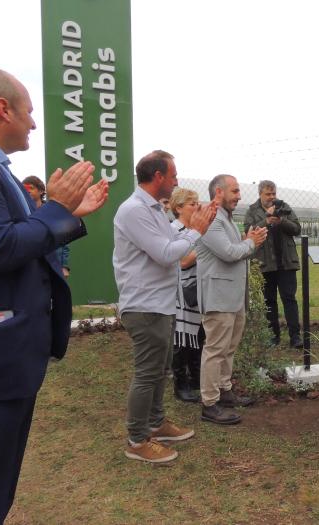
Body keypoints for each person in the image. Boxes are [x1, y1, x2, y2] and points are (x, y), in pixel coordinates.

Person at [0, 65, 109, 525]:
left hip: (5, 361)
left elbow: (18, 236)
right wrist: (54, 210)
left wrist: (64, 214)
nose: (34, 123)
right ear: (2, 108)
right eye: (29, 113)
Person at [113, 150, 217, 464]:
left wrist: (194, 229)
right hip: (144, 304)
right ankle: (136, 438)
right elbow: (165, 253)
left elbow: (171, 245)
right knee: (147, 373)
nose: (176, 182)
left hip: (160, 303)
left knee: (161, 369)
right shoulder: (133, 210)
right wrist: (196, 231)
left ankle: (156, 423)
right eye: (172, 176)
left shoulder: (154, 209)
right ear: (158, 177)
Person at [196, 174, 268, 425]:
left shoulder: (226, 219)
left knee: (228, 347)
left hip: (233, 298)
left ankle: (225, 392)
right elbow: (228, 253)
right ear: (219, 191)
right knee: (215, 350)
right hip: (218, 298)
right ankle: (209, 403)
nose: (239, 196)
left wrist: (247, 241)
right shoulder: (212, 219)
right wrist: (251, 242)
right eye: (235, 191)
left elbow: (236, 252)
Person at [244, 180, 303, 349]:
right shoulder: (252, 210)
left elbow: (297, 228)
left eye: (273, 194)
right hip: (264, 263)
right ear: (260, 194)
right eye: (268, 194)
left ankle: (295, 336)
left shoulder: (284, 207)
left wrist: (281, 221)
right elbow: (249, 231)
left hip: (286, 263)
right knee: (269, 301)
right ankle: (273, 336)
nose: (271, 197)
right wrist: (267, 220)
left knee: (289, 299)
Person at [169, 187, 205, 403]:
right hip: (180, 292)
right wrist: (203, 249)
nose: (197, 207)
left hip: (197, 288)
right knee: (181, 339)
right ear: (179, 207)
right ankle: (180, 384)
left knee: (199, 336)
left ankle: (197, 379)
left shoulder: (197, 230)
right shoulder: (173, 230)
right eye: (192, 203)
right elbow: (181, 261)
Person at [23, 175, 71, 278]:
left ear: (41, 191)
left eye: (31, 188)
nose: (28, 191)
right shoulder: (22, 213)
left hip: (52, 264)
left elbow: (63, 240)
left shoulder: (51, 212)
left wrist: (64, 266)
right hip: (30, 267)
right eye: (25, 188)